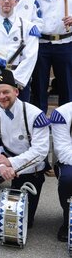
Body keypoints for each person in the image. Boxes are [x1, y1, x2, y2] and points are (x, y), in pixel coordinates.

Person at [0, 58, 50, 234]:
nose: (1, 97)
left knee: (23, 221)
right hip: (5, 160)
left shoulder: (35, 114)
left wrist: (11, 163)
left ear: (16, 91)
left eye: (6, 92)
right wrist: (2, 166)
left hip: (30, 164)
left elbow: (40, 151)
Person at [29, 0, 72, 112]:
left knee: (67, 85)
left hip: (65, 44)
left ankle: (67, 119)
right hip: (42, 45)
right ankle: (39, 119)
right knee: (39, 85)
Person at [49, 102, 72, 241]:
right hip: (69, 162)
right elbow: (63, 151)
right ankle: (68, 221)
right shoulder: (62, 113)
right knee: (68, 178)